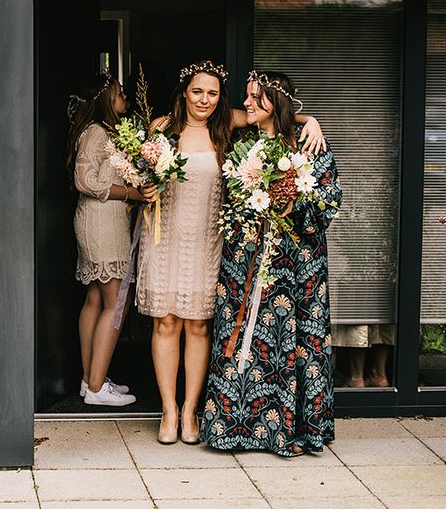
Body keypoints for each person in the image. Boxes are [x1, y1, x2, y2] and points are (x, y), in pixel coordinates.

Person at [138, 61, 325, 445]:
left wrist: (313, 120)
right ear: (183, 93)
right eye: (197, 92)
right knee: (166, 322)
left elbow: (279, 108)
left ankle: (191, 411)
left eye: (212, 93)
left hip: (209, 238)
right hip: (165, 236)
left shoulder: (228, 127)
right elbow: (143, 179)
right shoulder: (161, 130)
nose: (204, 100)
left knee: (199, 324)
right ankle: (169, 410)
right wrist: (144, 188)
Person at [200, 71, 341, 457]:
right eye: (246, 96)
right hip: (245, 258)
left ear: (273, 103)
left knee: (293, 343)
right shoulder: (244, 144)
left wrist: (290, 199)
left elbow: (329, 203)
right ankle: (235, 429)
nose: (246, 103)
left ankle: (292, 432)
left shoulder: (310, 146)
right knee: (242, 339)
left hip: (297, 263)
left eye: (254, 98)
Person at [67, 72, 145, 406]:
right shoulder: (96, 132)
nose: (124, 97)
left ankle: (90, 381)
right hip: (101, 224)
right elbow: (84, 181)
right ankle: (98, 388)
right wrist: (133, 192)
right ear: (105, 99)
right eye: (120, 93)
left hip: (101, 221)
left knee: (96, 300)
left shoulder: (101, 133)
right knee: (117, 303)